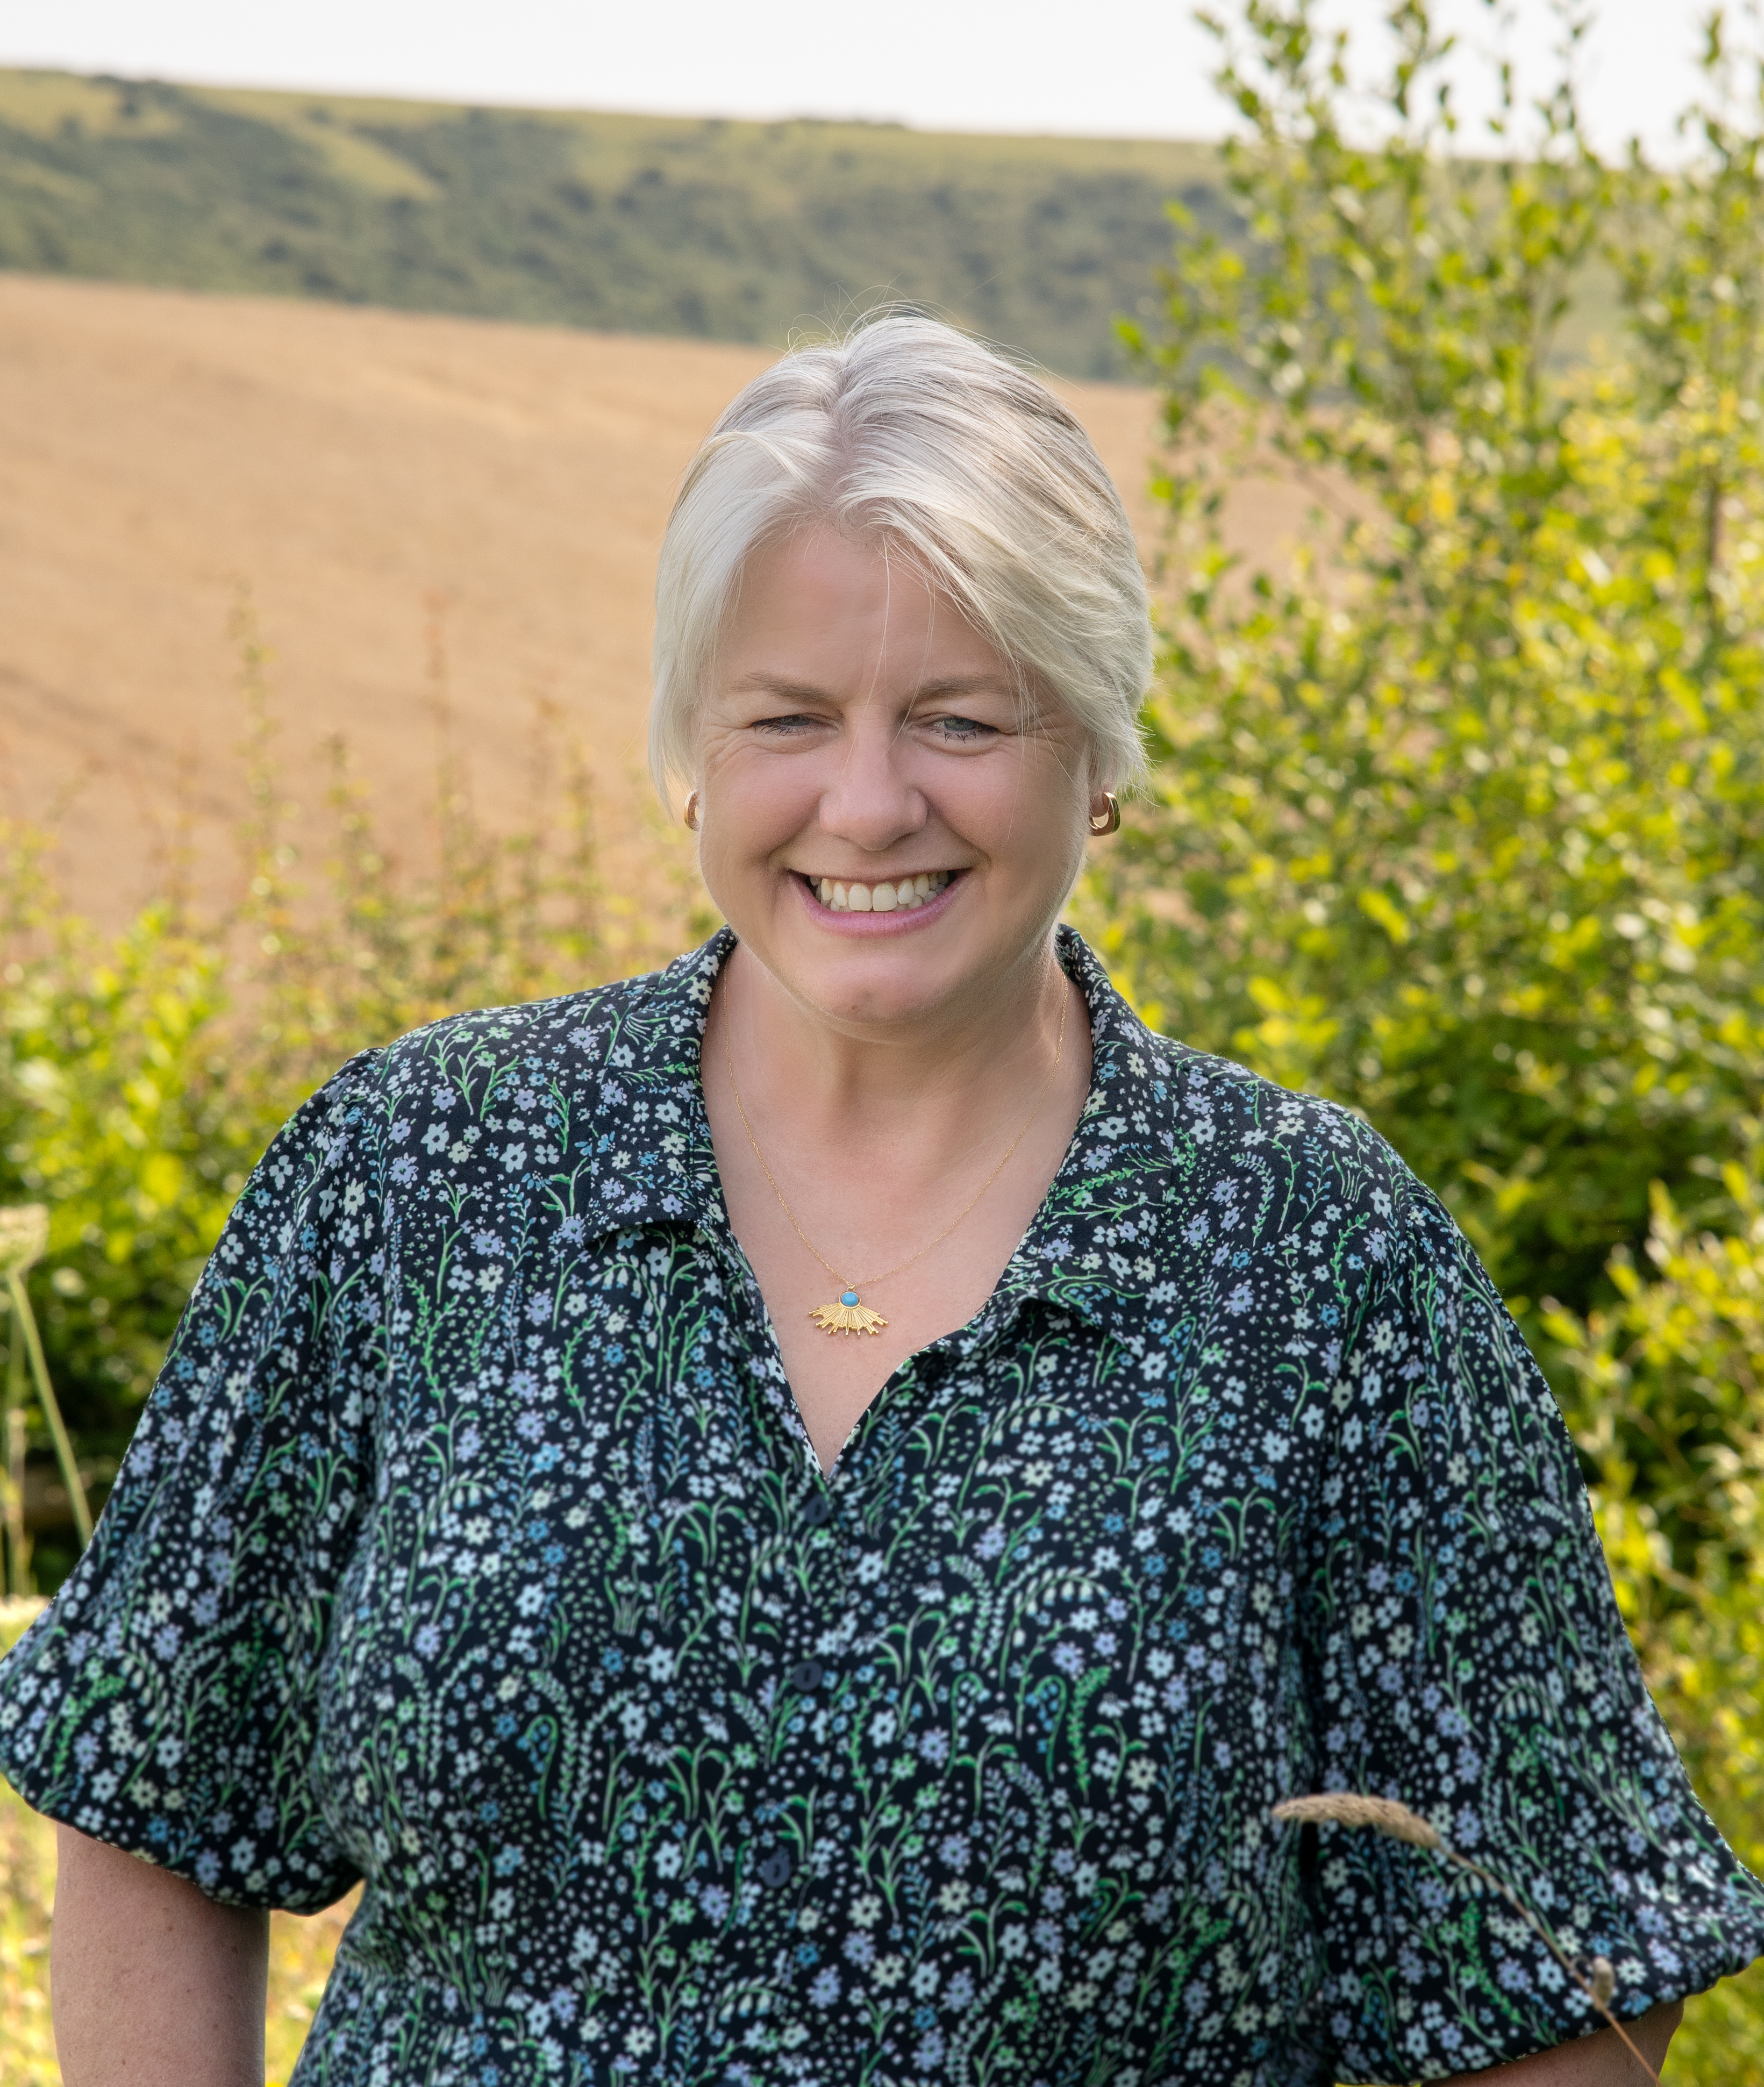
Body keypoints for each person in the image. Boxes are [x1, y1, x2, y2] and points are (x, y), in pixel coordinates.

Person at [2, 314, 1759, 2087]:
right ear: (692, 745)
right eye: (786, 718)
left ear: (1096, 745)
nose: (865, 802)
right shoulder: (422, 1172)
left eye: (956, 718)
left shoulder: (1313, 1262)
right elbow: (154, 1796)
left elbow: (1575, 1952)